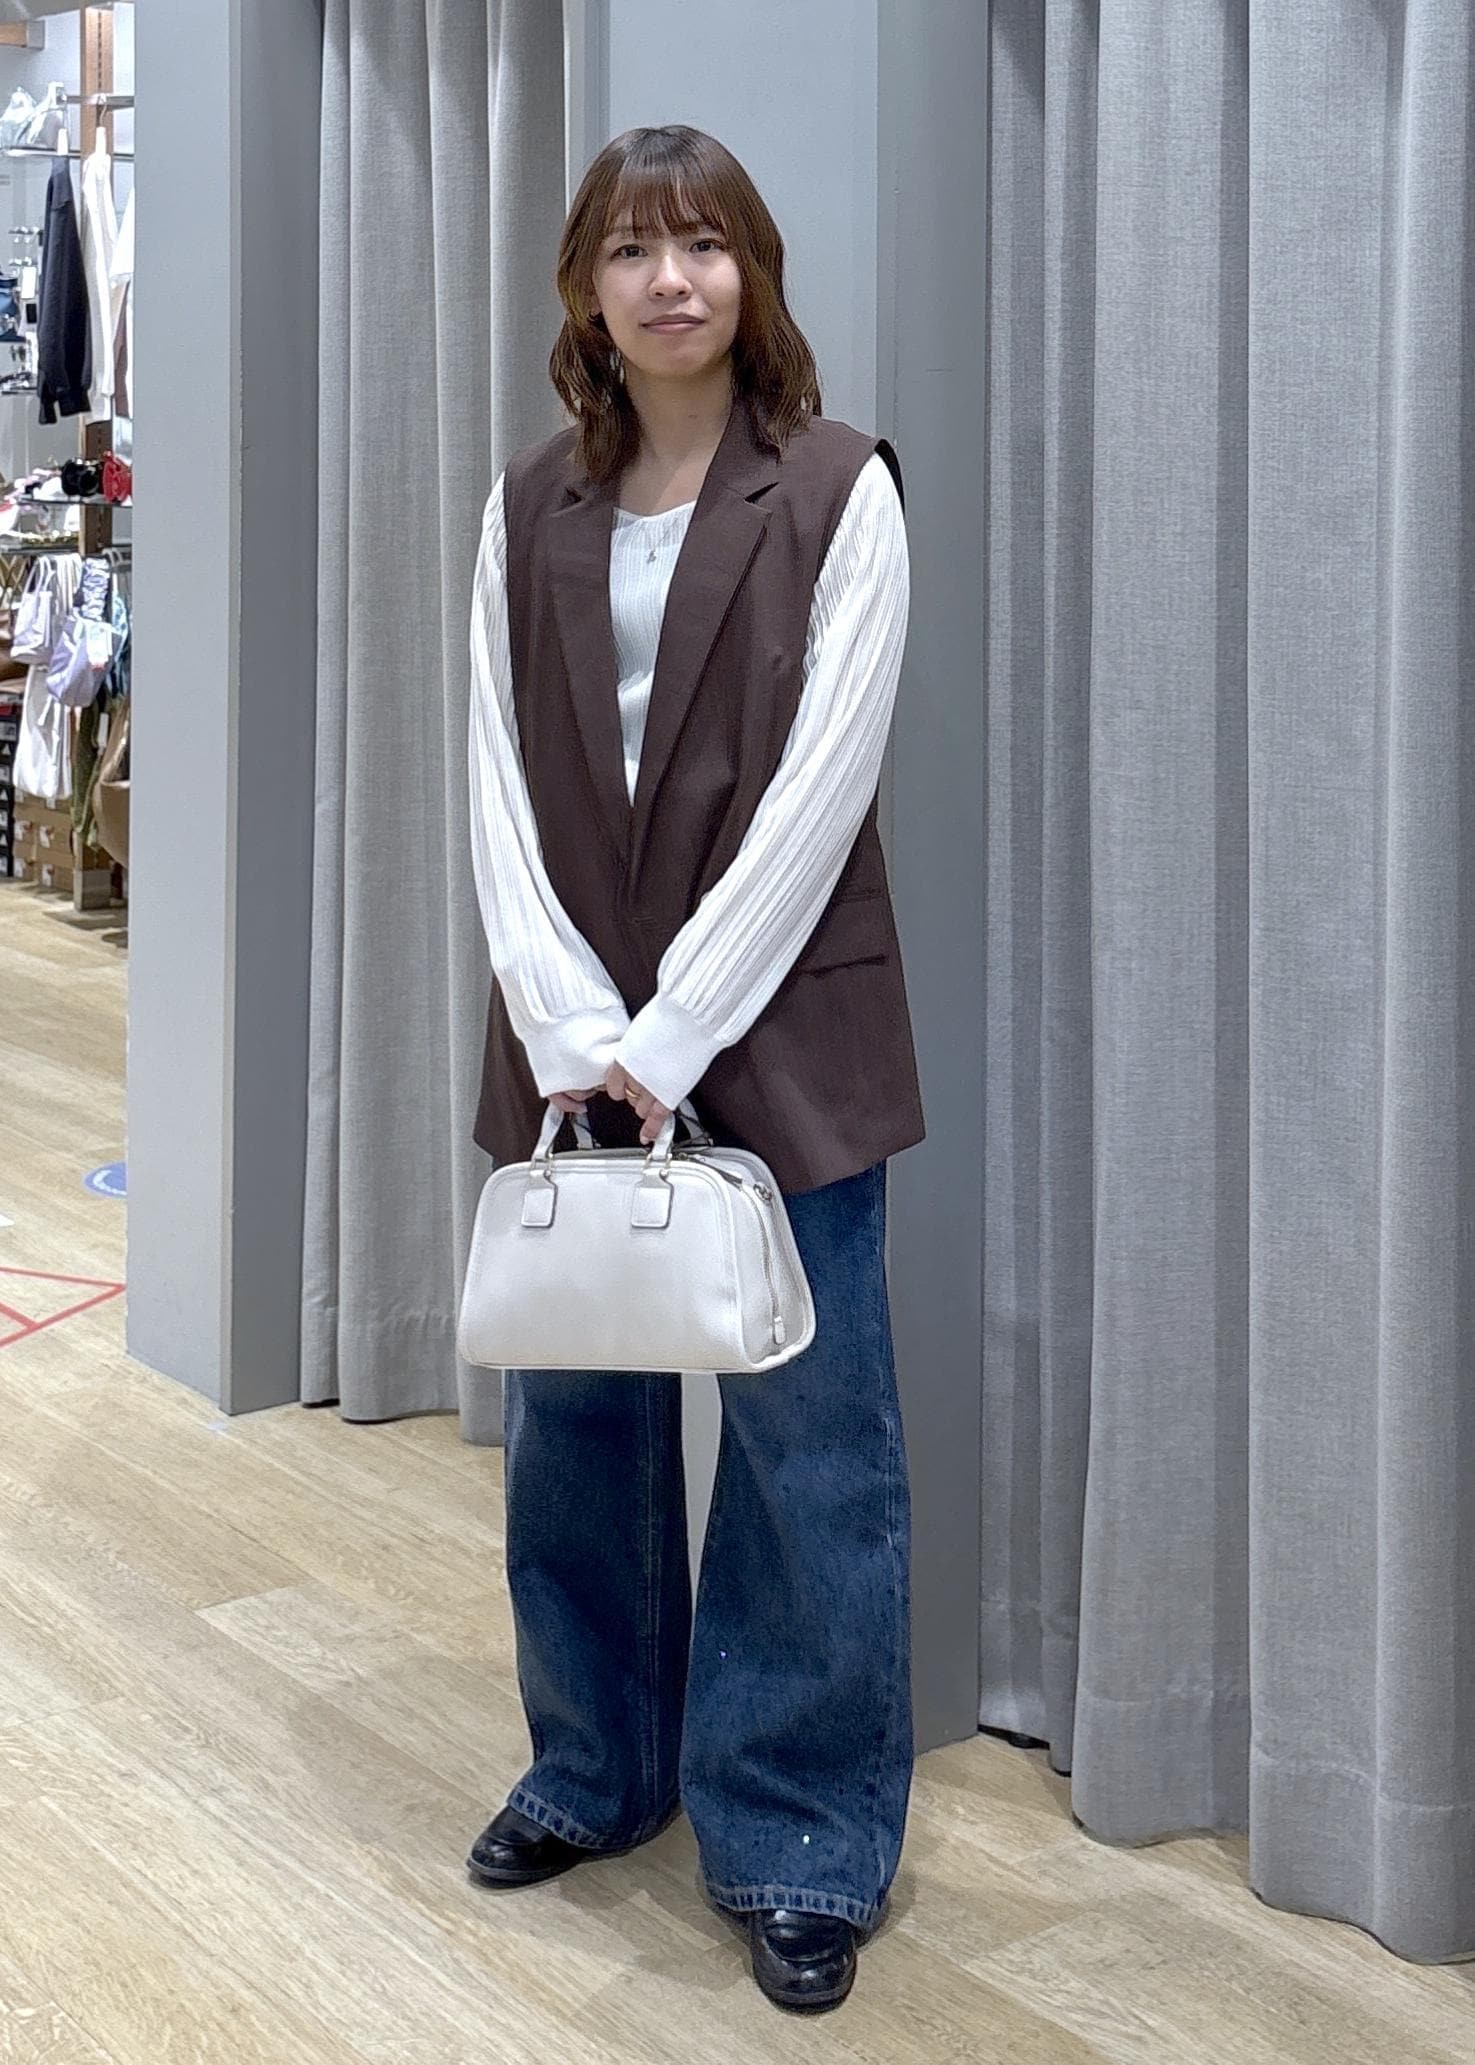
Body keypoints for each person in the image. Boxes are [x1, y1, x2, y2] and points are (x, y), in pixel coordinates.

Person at [461, 123, 927, 2015]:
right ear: (584, 287)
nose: (673, 280)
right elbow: (493, 778)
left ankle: (802, 1832)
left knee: (816, 1449)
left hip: (784, 1018)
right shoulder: (526, 508)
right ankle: (594, 1766)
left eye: (706, 244)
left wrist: (676, 1032)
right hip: (574, 1030)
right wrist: (572, 1025)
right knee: (575, 1425)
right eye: (634, 249)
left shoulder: (839, 487)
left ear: (754, 272)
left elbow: (825, 792)